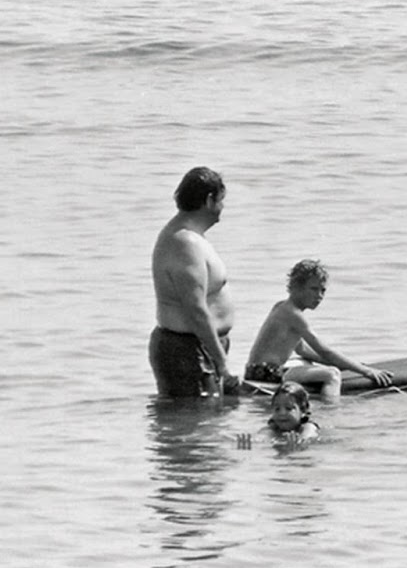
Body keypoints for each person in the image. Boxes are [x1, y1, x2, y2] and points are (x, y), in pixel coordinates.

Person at [150, 167, 239, 398]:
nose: (223, 207)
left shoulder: (192, 237)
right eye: (221, 200)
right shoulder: (184, 243)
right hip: (187, 351)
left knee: (206, 418)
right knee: (194, 419)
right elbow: (195, 308)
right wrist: (222, 362)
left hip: (200, 347)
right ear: (209, 200)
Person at [245, 259, 393, 398]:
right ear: (296, 287)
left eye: (323, 290)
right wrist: (366, 370)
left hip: (255, 371)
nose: (319, 296)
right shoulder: (294, 314)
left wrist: (349, 365)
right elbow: (325, 351)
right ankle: (330, 409)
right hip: (267, 375)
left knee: (306, 362)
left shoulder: (281, 307)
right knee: (332, 374)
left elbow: (302, 349)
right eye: (314, 289)